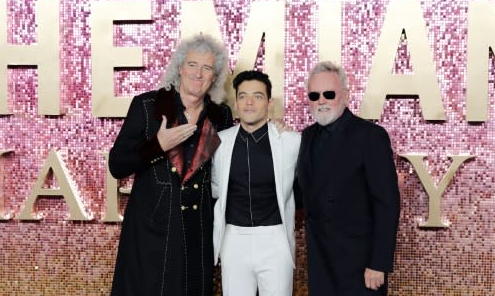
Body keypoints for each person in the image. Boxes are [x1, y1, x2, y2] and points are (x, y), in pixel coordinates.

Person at [108, 34, 234, 296]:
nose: (198, 74)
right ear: (179, 67)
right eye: (192, 65)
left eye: (207, 68)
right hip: (151, 229)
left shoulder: (221, 116)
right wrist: (157, 145)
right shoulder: (148, 105)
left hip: (196, 232)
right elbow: (117, 164)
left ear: (215, 77)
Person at [294, 61, 401, 295]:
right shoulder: (305, 137)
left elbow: (387, 204)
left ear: (345, 95)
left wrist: (378, 263)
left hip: (361, 266)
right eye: (314, 95)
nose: (321, 101)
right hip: (320, 262)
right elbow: (297, 195)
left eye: (329, 94)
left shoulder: (370, 136)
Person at [211, 70, 301, 296]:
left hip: (276, 238)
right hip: (233, 239)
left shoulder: (292, 141)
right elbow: (214, 188)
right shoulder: (219, 141)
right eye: (243, 96)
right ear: (236, 102)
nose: (249, 102)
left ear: (269, 103)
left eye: (258, 96)